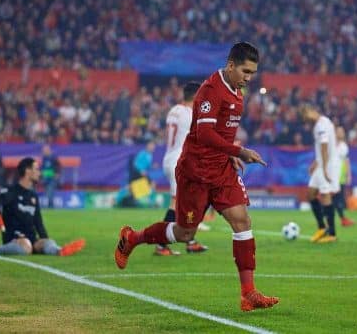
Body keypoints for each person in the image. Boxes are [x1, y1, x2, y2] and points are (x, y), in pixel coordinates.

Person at [114, 42, 279, 312]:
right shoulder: (210, 91)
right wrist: (239, 150)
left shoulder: (237, 91)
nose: (249, 78)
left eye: (253, 73)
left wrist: (229, 154)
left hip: (222, 170)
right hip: (195, 172)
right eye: (246, 72)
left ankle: (248, 292)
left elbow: (221, 133)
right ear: (230, 65)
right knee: (184, 232)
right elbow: (203, 134)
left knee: (242, 220)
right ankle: (132, 238)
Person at [0, 157, 85, 256]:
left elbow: (38, 222)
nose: (39, 173)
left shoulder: (33, 196)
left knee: (47, 242)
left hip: (31, 240)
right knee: (26, 246)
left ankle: (59, 251)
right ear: (27, 171)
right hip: (15, 239)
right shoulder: (12, 191)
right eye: (37, 169)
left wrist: (45, 239)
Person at [156, 81, 209, 256]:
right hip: (181, 162)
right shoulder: (190, 114)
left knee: (190, 202)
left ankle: (190, 241)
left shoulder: (173, 111)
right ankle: (161, 245)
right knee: (176, 204)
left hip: (169, 158)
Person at [300, 104, 340, 243]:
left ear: (310, 111)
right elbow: (321, 148)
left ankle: (332, 234)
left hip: (327, 164)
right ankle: (322, 228)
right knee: (311, 193)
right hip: (322, 163)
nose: (305, 121)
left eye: (305, 117)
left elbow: (324, 147)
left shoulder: (321, 125)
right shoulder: (321, 123)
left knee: (325, 195)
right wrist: (316, 164)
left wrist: (324, 168)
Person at [332, 126, 355, 227]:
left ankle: (342, 219)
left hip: (340, 176)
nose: (341, 133)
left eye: (342, 131)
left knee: (338, 198)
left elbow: (346, 161)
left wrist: (348, 174)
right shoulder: (330, 145)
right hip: (331, 175)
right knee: (333, 197)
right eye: (339, 131)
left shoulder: (344, 146)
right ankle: (341, 219)